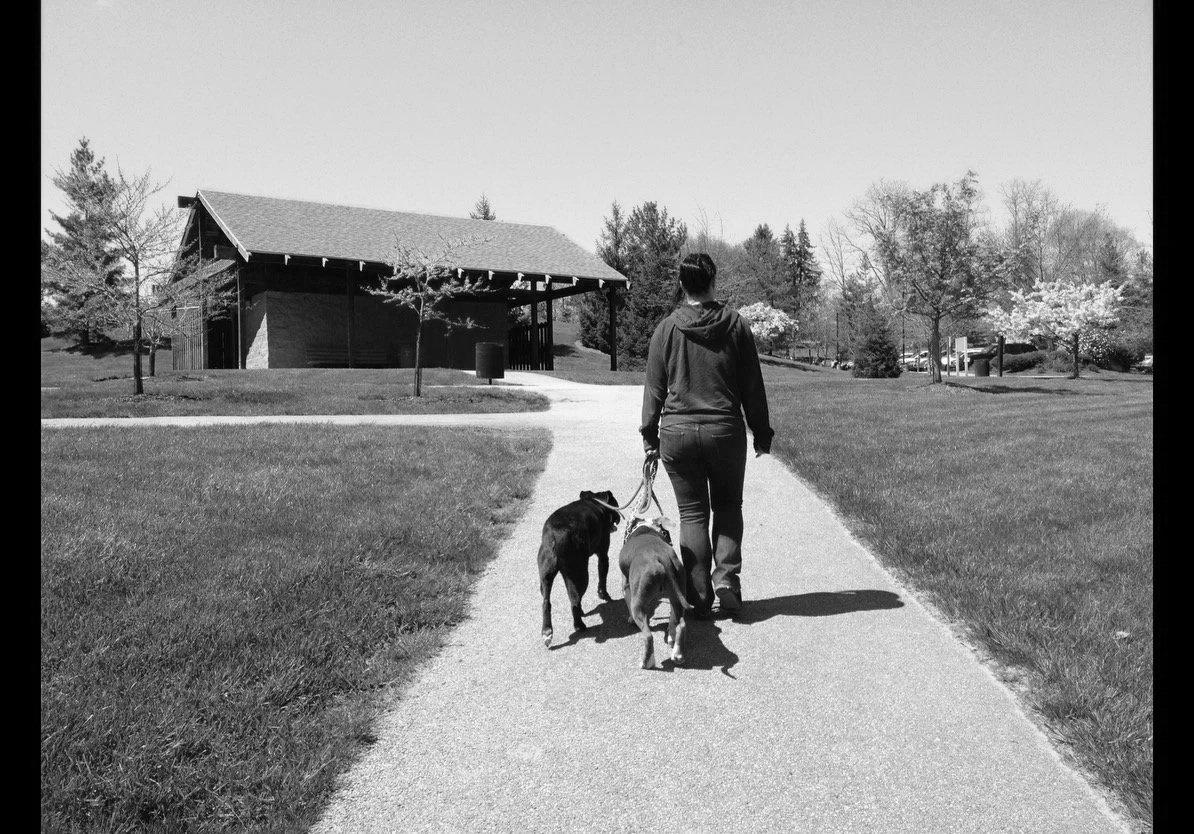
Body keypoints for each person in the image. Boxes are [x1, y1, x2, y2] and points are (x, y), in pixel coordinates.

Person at [639, 252, 774, 617]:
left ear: (682, 285)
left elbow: (653, 390)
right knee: (728, 506)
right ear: (713, 281)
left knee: (693, 513)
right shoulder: (736, 326)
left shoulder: (666, 329)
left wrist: (650, 437)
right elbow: (752, 387)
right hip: (724, 432)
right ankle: (726, 580)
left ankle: (698, 596)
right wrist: (761, 433)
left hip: (679, 434)